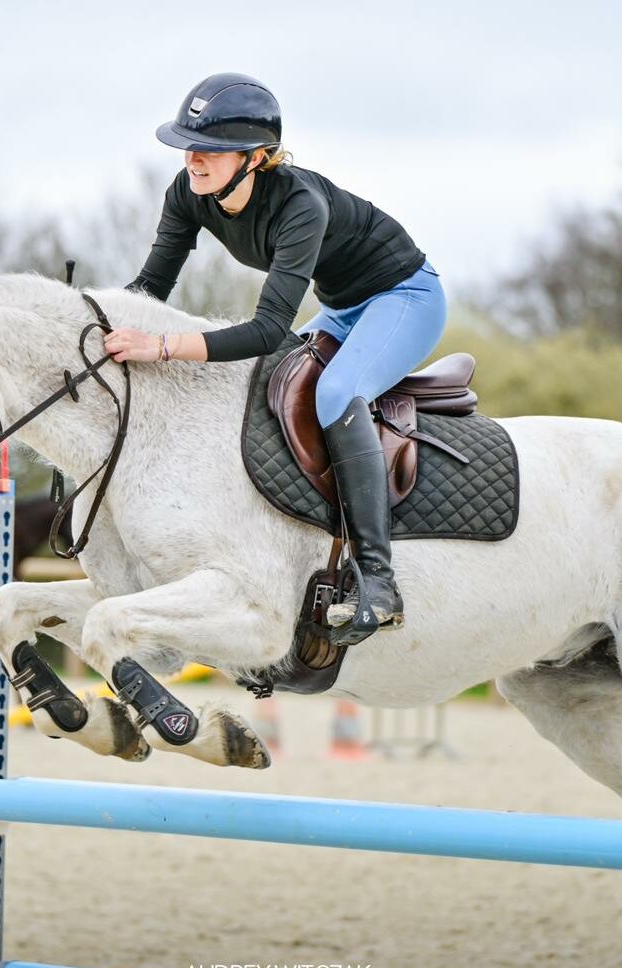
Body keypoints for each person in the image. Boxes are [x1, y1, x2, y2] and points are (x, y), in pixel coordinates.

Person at [103, 72, 447, 646]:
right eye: (189, 144)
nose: (193, 158)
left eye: (210, 149)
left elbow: (266, 330)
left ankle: (380, 583)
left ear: (257, 158)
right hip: (343, 307)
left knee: (336, 394)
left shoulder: (300, 204)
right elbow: (147, 292)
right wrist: (93, 328)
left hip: (405, 297)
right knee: (268, 384)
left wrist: (161, 347)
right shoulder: (187, 193)